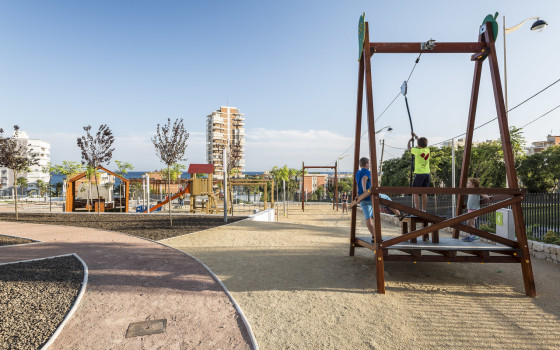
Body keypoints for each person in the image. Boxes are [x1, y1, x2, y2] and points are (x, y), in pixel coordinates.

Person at [407, 132, 430, 211]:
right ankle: (424, 210)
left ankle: (417, 209)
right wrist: (416, 136)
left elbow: (409, 148)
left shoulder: (417, 151)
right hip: (427, 174)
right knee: (424, 192)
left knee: (415, 192)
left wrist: (410, 141)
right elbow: (420, 142)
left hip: (419, 174)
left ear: (418, 145)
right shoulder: (427, 150)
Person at [462, 178, 489, 242]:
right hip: (470, 209)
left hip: (474, 209)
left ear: (473, 185)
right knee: (469, 223)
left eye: (468, 183)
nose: (467, 184)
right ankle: (470, 235)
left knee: (470, 222)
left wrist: (487, 197)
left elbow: (483, 194)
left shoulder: (477, 190)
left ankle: (474, 236)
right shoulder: (469, 191)